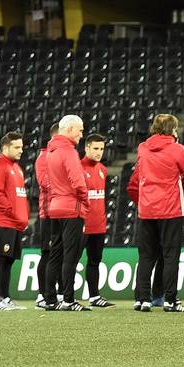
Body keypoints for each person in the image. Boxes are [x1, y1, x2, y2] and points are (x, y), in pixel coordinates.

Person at [129, 113, 184, 313]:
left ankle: (142, 299)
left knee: (146, 256)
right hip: (171, 208)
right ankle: (170, 300)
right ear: (171, 129)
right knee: (170, 255)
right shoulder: (177, 149)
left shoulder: (142, 148)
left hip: (147, 208)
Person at [43, 115, 89, 312]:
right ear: (69, 129)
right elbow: (78, 181)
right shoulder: (68, 151)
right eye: (79, 130)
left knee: (55, 255)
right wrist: (85, 201)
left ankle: (50, 299)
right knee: (71, 256)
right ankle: (69, 300)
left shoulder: (50, 151)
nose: (81, 134)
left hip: (55, 207)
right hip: (71, 208)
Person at [0, 132, 27, 311]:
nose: (21, 150)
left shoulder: (17, 168)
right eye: (17, 147)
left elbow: (19, 196)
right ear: (5, 148)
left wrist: (22, 217)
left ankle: (5, 298)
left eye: (21, 147)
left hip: (16, 222)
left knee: (8, 261)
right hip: (3, 221)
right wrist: (13, 213)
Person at [79, 133, 114, 308]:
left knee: (94, 261)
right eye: (95, 148)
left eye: (101, 149)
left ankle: (94, 296)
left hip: (98, 225)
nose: (99, 152)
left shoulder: (102, 169)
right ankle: (64, 295)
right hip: (81, 224)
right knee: (70, 261)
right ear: (86, 148)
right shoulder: (78, 168)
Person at [33, 122, 58, 310]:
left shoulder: (56, 155)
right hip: (48, 212)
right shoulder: (44, 157)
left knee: (56, 254)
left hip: (59, 211)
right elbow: (45, 183)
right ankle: (42, 294)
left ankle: (51, 292)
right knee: (47, 253)